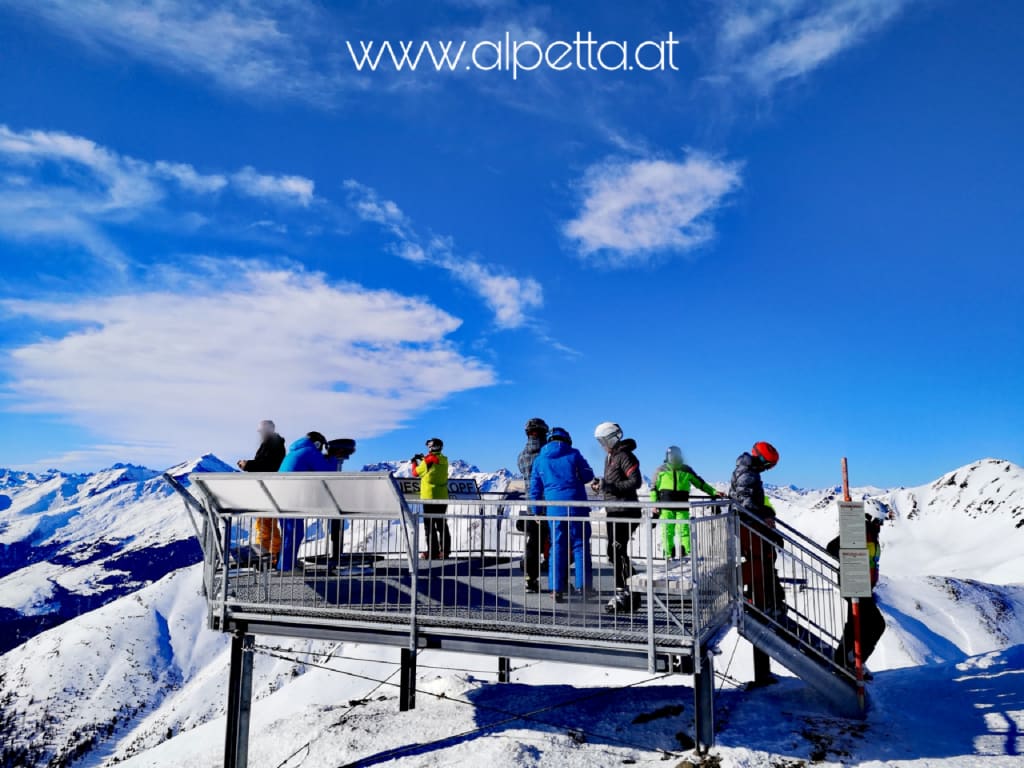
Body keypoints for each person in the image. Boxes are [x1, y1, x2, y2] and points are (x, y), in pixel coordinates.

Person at [729, 440, 785, 688]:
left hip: (751, 527)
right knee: (760, 561)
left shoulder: (748, 472)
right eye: (769, 465)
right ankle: (740, 586)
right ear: (762, 460)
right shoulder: (748, 475)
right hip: (748, 527)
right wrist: (765, 517)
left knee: (764, 561)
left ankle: (767, 601)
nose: (768, 470)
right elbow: (746, 505)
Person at [529, 428, 596, 602]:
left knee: (557, 547)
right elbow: (588, 476)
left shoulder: (539, 460)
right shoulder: (574, 454)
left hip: (554, 509)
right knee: (580, 547)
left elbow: (534, 489)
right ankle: (584, 588)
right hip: (577, 506)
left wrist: (536, 511)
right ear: (568, 439)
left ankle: (555, 589)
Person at [826, 506, 887, 674]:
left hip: (863, 586)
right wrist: (850, 563)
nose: (881, 525)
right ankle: (854, 660)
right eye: (880, 521)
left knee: (855, 624)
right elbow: (831, 547)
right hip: (854, 583)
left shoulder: (871, 534)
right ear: (872, 518)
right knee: (876, 624)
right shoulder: (859, 531)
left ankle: (843, 660)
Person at [592, 422, 643, 614]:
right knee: (613, 552)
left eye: (603, 440)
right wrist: (602, 486)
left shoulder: (625, 456)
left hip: (625, 511)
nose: (601, 444)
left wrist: (609, 487)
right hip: (613, 510)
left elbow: (635, 481)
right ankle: (633, 588)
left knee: (617, 550)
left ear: (612, 438)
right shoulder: (610, 457)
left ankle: (624, 593)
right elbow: (613, 482)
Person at [277, 431, 335, 571]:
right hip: (292, 497)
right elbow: (327, 471)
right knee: (294, 532)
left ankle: (286, 564)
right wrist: (333, 457)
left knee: (289, 533)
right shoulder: (310, 451)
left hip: (281, 496)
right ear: (317, 443)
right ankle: (286, 567)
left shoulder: (296, 451)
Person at [650, 446, 719, 558]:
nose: (674, 458)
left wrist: (713, 492)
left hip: (682, 505)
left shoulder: (686, 470)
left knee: (684, 529)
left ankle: (686, 553)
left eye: (675, 456)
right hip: (665, 505)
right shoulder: (660, 470)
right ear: (667, 457)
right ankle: (667, 555)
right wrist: (654, 504)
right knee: (667, 531)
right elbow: (653, 488)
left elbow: (700, 483)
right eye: (671, 456)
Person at [238, 420, 286, 568]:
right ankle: (267, 558)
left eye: (261, 430)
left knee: (267, 526)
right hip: (268, 490)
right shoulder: (273, 444)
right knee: (265, 526)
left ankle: (269, 559)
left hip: (269, 490)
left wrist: (248, 465)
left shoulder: (273, 444)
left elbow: (267, 465)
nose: (260, 433)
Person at [518, 417, 550, 593]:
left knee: (533, 544)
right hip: (550, 505)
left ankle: (530, 580)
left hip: (532, 507)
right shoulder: (547, 454)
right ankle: (557, 581)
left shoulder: (522, 456)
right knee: (556, 543)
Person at [411, 437, 450, 560]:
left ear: (431, 447)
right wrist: (423, 459)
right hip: (442, 496)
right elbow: (433, 464)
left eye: (429, 446)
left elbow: (415, 473)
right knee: (442, 524)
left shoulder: (428, 460)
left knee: (429, 525)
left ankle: (432, 552)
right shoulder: (444, 459)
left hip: (429, 496)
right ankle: (445, 551)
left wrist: (414, 462)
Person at [326, 439, 357, 564]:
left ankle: (336, 554)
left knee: (336, 526)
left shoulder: (330, 462)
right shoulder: (332, 463)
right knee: (335, 526)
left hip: (335, 502)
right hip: (334, 502)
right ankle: (335, 554)